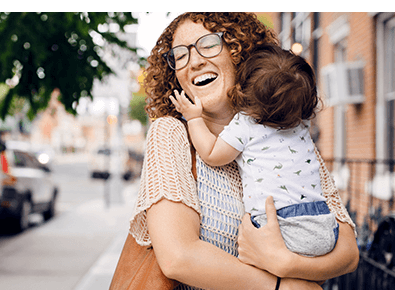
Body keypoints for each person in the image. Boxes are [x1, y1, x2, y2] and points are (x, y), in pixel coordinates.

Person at [129, 12, 358, 290]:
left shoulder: (286, 128)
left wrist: (284, 263)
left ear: (239, 50)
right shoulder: (172, 133)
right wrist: (282, 286)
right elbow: (179, 257)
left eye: (209, 44)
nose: (196, 61)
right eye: (180, 55)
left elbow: (348, 253)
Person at [170, 44, 338, 258]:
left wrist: (193, 118)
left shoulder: (247, 124)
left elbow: (212, 154)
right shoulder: (300, 126)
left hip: (279, 226)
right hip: (322, 223)